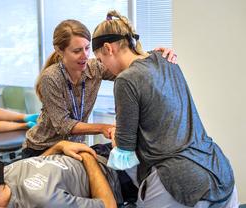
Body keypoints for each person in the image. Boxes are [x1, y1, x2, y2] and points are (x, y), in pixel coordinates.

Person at [91, 10, 238, 208]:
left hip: (179, 182)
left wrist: (116, 136)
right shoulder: (165, 58)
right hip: (219, 171)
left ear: (108, 48)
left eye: (100, 60)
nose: (105, 67)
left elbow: (125, 153)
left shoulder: (125, 80)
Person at [22, 19, 177, 158]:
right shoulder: (51, 78)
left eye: (87, 48)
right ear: (59, 50)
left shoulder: (94, 68)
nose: (85, 55)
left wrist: (155, 57)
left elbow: (129, 68)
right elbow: (63, 125)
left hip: (72, 148)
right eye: (77, 51)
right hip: (43, 149)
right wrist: (104, 127)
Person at [0, 140, 121, 208]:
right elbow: (107, 205)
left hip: (90, 153)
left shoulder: (2, 181)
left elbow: (36, 165)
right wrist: (87, 156)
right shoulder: (41, 201)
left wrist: (59, 146)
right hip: (116, 172)